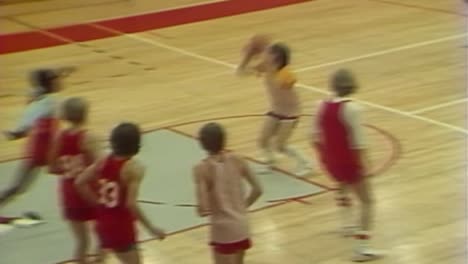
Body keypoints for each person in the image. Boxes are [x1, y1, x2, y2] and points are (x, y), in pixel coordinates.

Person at [310, 69, 381, 262]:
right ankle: (361, 247)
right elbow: (360, 143)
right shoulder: (354, 109)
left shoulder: (320, 106)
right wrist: (368, 166)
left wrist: (324, 157)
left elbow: (313, 137)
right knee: (368, 201)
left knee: (341, 187)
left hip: (330, 161)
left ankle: (345, 225)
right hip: (350, 163)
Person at [75, 122, 166, 264]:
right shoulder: (134, 168)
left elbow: (79, 182)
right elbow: (131, 204)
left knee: (100, 258)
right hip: (121, 226)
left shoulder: (102, 161)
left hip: (102, 221)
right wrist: (152, 228)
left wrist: (96, 203)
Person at [237, 36, 312, 176]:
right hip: (275, 110)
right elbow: (240, 73)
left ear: (276, 57)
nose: (264, 53)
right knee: (262, 140)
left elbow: (288, 82)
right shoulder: (265, 67)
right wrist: (247, 57)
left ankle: (306, 163)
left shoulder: (286, 73)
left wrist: (260, 62)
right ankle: (270, 162)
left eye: (268, 52)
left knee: (280, 146)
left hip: (290, 113)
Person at [0, 67, 75, 207]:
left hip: (36, 149)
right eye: (56, 79)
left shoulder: (40, 99)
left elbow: (30, 120)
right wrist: (18, 131)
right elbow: (34, 116)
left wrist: (18, 132)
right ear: (50, 83)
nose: (60, 81)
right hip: (47, 149)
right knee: (79, 173)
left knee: (16, 187)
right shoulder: (50, 102)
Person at [193, 122, 263, 264]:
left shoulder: (202, 168)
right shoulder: (238, 158)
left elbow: (203, 209)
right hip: (241, 225)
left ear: (202, 143)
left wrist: (200, 208)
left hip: (222, 229)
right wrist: (242, 207)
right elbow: (258, 190)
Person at [48, 97, 101, 264]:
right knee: (103, 235)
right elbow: (101, 166)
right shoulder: (89, 137)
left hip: (69, 191)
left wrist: (69, 170)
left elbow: (51, 167)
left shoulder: (59, 137)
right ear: (85, 115)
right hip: (90, 190)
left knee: (81, 241)